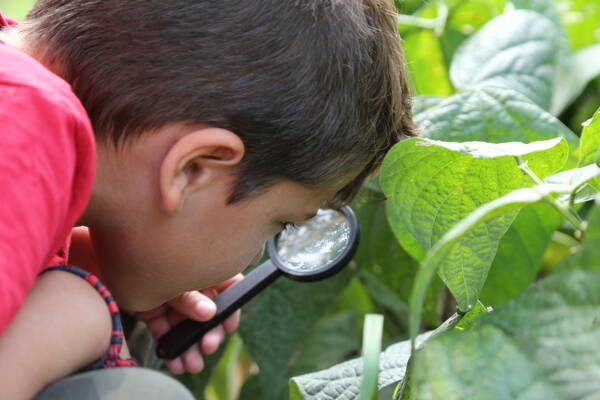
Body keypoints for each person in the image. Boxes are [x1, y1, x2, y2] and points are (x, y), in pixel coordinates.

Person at [0, 0, 417, 398]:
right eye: (283, 223)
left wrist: (74, 262)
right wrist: (78, 309)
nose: (257, 255)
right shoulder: (27, 127)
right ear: (194, 169)